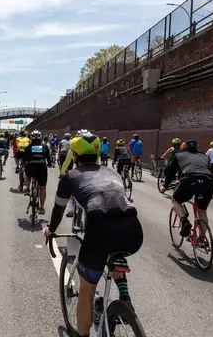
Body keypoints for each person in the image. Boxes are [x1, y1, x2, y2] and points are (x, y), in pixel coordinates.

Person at [43, 132, 143, 337]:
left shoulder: (70, 177)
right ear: (98, 154)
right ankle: (124, 295)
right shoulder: (113, 173)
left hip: (99, 228)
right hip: (133, 229)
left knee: (87, 291)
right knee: (116, 251)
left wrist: (50, 230)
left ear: (74, 155)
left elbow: (58, 210)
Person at [162, 140, 213, 237]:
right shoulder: (204, 156)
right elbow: (210, 170)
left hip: (189, 179)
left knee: (175, 200)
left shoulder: (178, 156)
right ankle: (202, 239)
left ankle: (185, 222)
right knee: (202, 211)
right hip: (208, 181)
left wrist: (165, 186)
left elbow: (170, 173)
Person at [23, 130, 52, 214]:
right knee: (43, 187)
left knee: (27, 174)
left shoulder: (29, 147)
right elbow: (48, 158)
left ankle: (28, 188)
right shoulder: (44, 146)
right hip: (41, 168)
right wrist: (49, 164)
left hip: (31, 167)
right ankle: (42, 207)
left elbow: (25, 158)